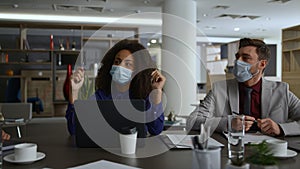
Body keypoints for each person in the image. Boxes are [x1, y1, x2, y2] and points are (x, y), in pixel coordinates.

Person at [187, 38, 300, 136]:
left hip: (269, 152)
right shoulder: (220, 89)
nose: (237, 62)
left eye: (245, 58)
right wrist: (228, 123)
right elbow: (192, 121)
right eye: (237, 57)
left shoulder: (281, 91)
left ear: (262, 64)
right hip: (230, 150)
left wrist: (280, 128)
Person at [66, 39, 166, 136]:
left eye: (127, 64)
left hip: (136, 150)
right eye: (117, 61)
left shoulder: (144, 97)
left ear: (137, 70)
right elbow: (74, 130)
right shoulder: (101, 96)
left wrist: (157, 92)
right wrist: (74, 92)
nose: (119, 67)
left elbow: (156, 129)